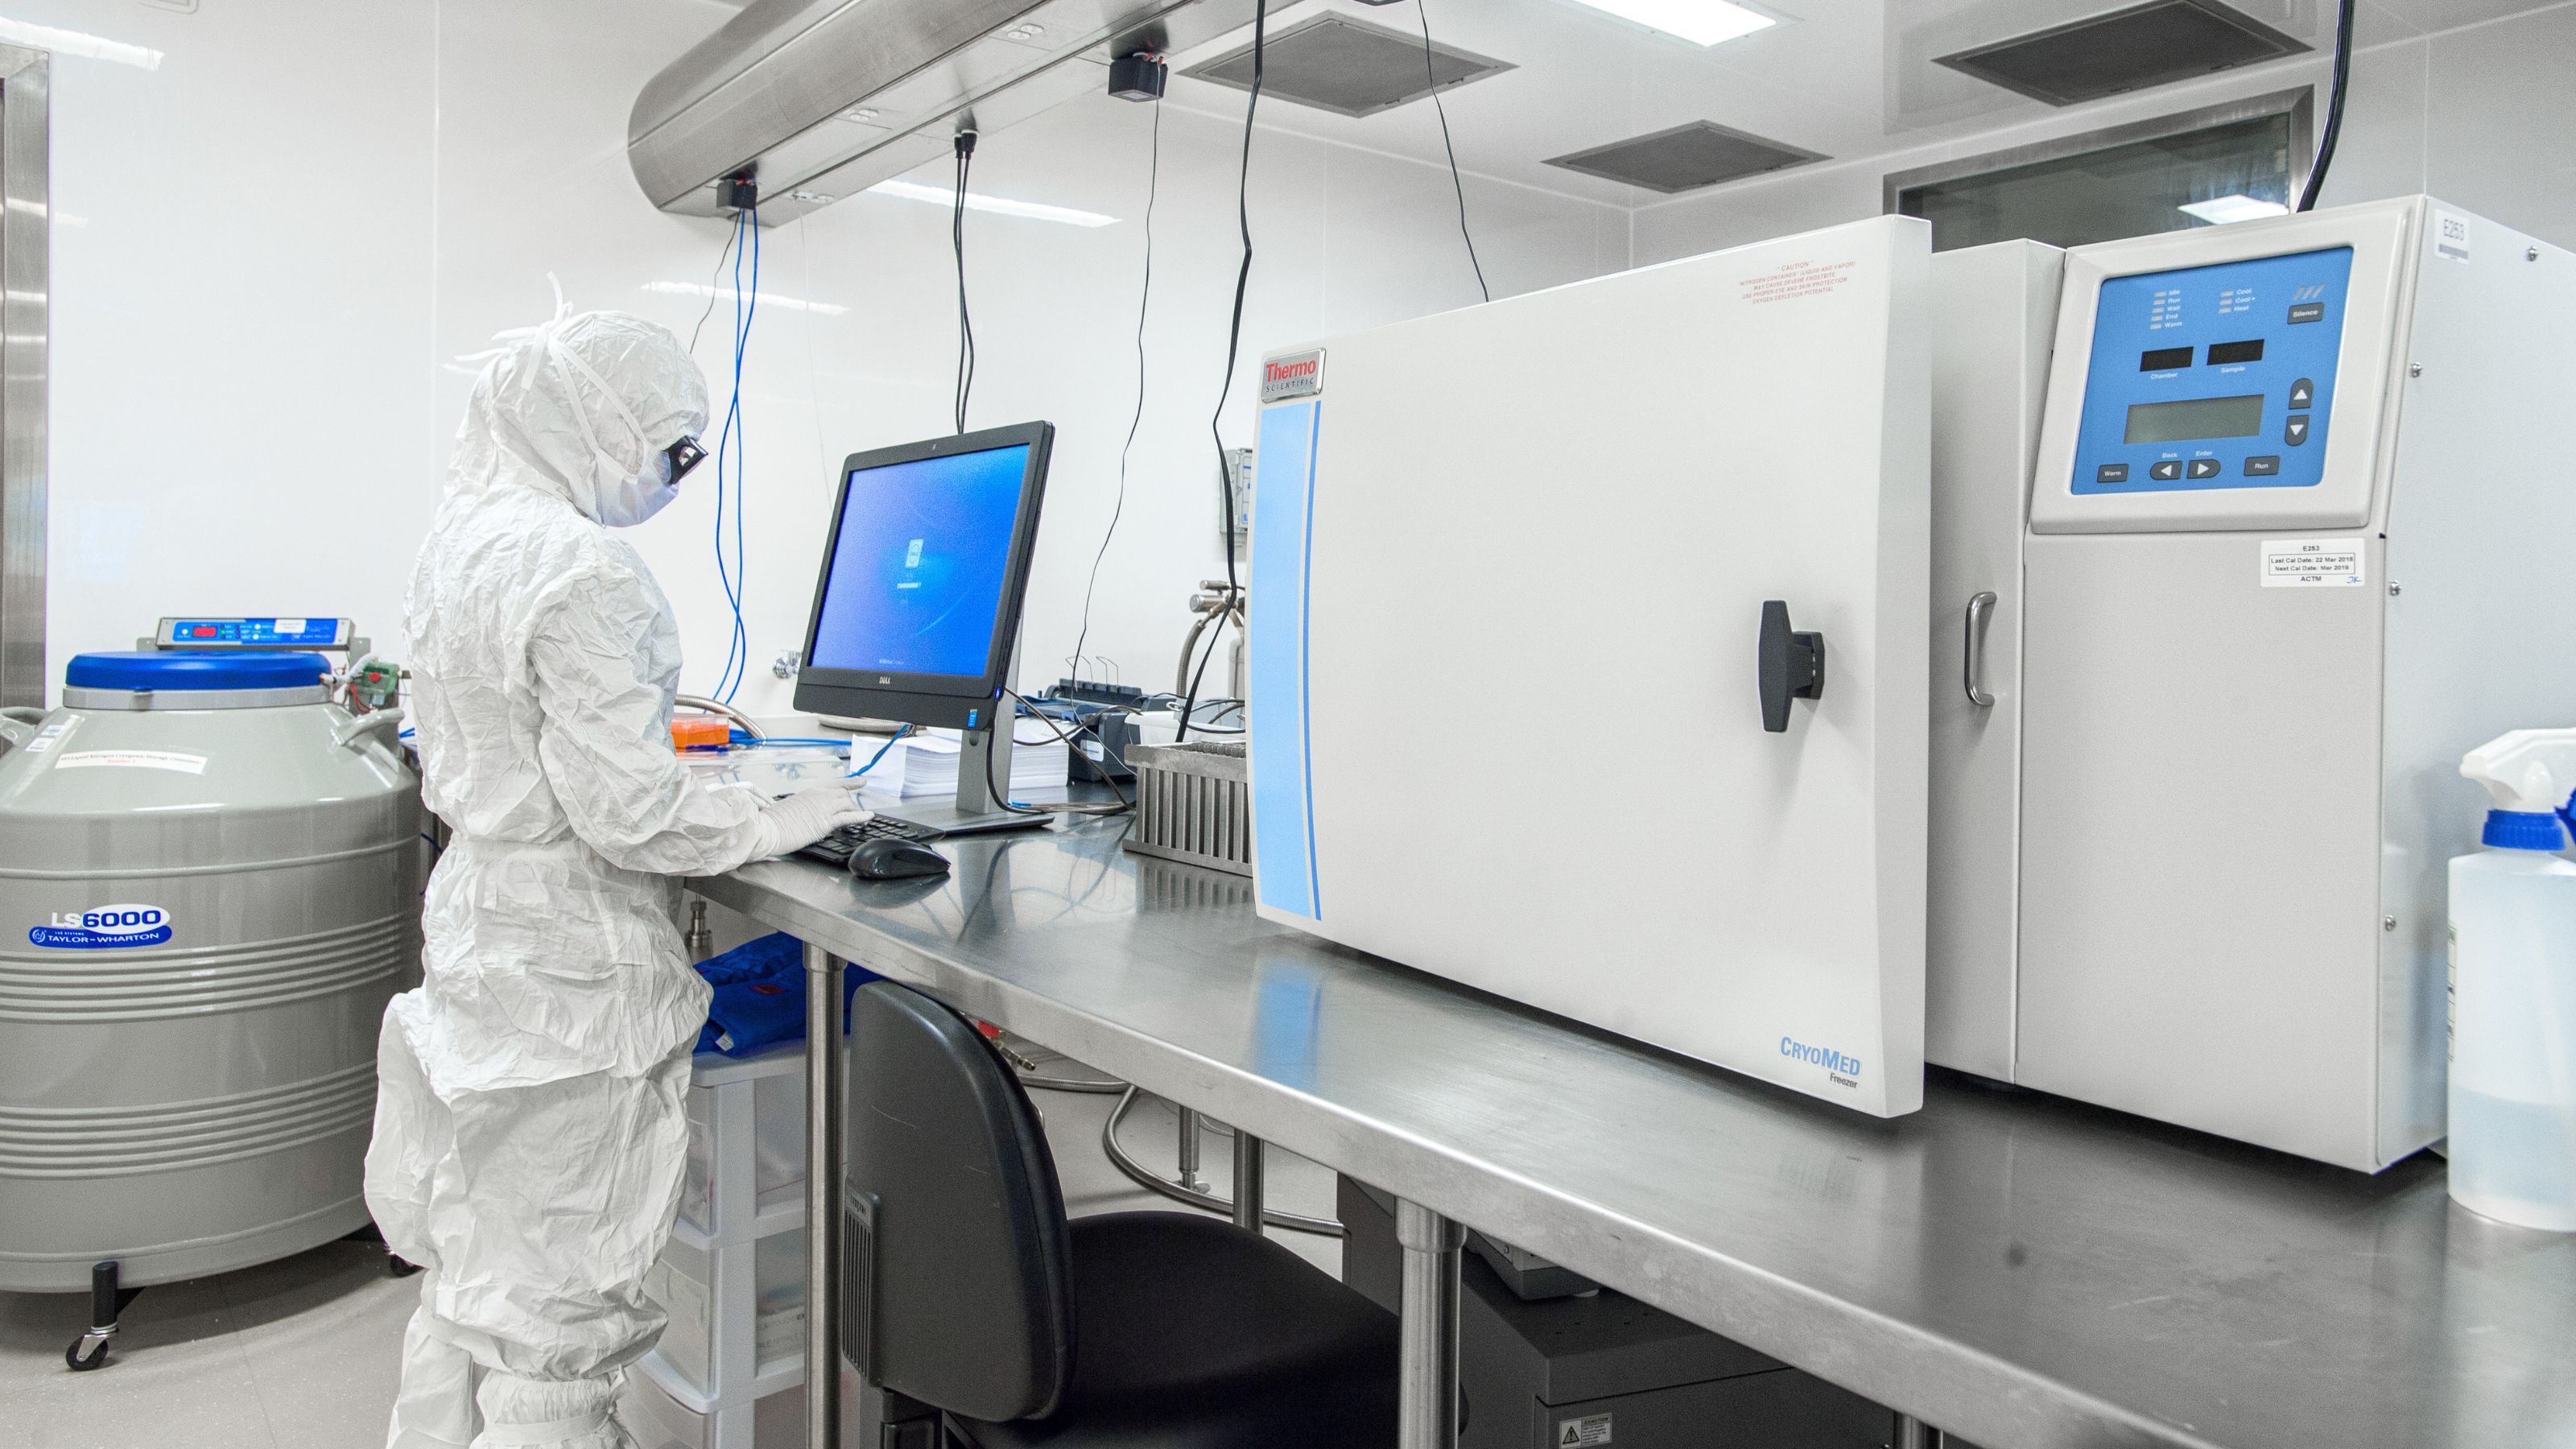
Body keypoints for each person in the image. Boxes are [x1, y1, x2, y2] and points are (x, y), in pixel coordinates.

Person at [365, 305, 869, 1449]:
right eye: (667, 447)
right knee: (557, 1321)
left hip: (482, 933)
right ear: (593, 421)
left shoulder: (461, 544)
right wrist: (774, 814)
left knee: (473, 1274)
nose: (673, 477)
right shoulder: (585, 567)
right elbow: (631, 813)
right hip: (571, 968)